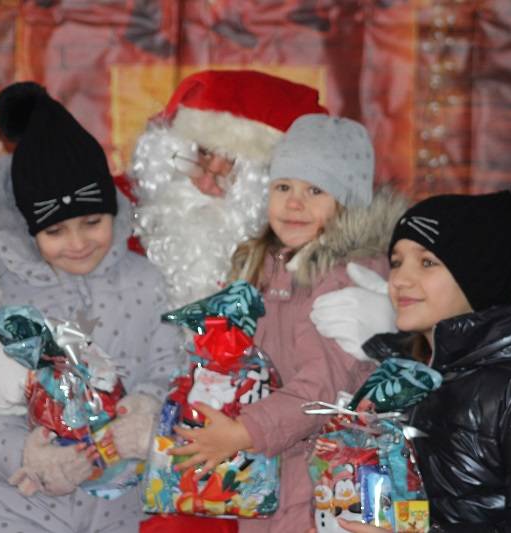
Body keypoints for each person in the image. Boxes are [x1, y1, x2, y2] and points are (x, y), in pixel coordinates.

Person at [0, 82, 182, 532]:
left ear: (114, 211)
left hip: (112, 514)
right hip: (6, 511)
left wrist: (148, 410)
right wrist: (25, 455)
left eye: (92, 221)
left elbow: (171, 365)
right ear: (29, 232)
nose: (78, 243)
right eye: (55, 231)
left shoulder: (147, 282)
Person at [166, 113, 408, 532]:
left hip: (319, 481)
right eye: (283, 187)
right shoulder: (271, 265)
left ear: (349, 203)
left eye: (315, 190)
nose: (294, 203)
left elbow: (322, 389)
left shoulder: (339, 279)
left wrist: (244, 430)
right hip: (272, 468)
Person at [343, 176, 511, 531]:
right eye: (396, 262)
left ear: (480, 276)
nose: (399, 280)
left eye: (427, 263)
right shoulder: (405, 378)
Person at [129, 69, 330, 308]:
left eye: (233, 165)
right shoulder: (115, 232)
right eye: (203, 152)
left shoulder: (311, 275)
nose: (206, 184)